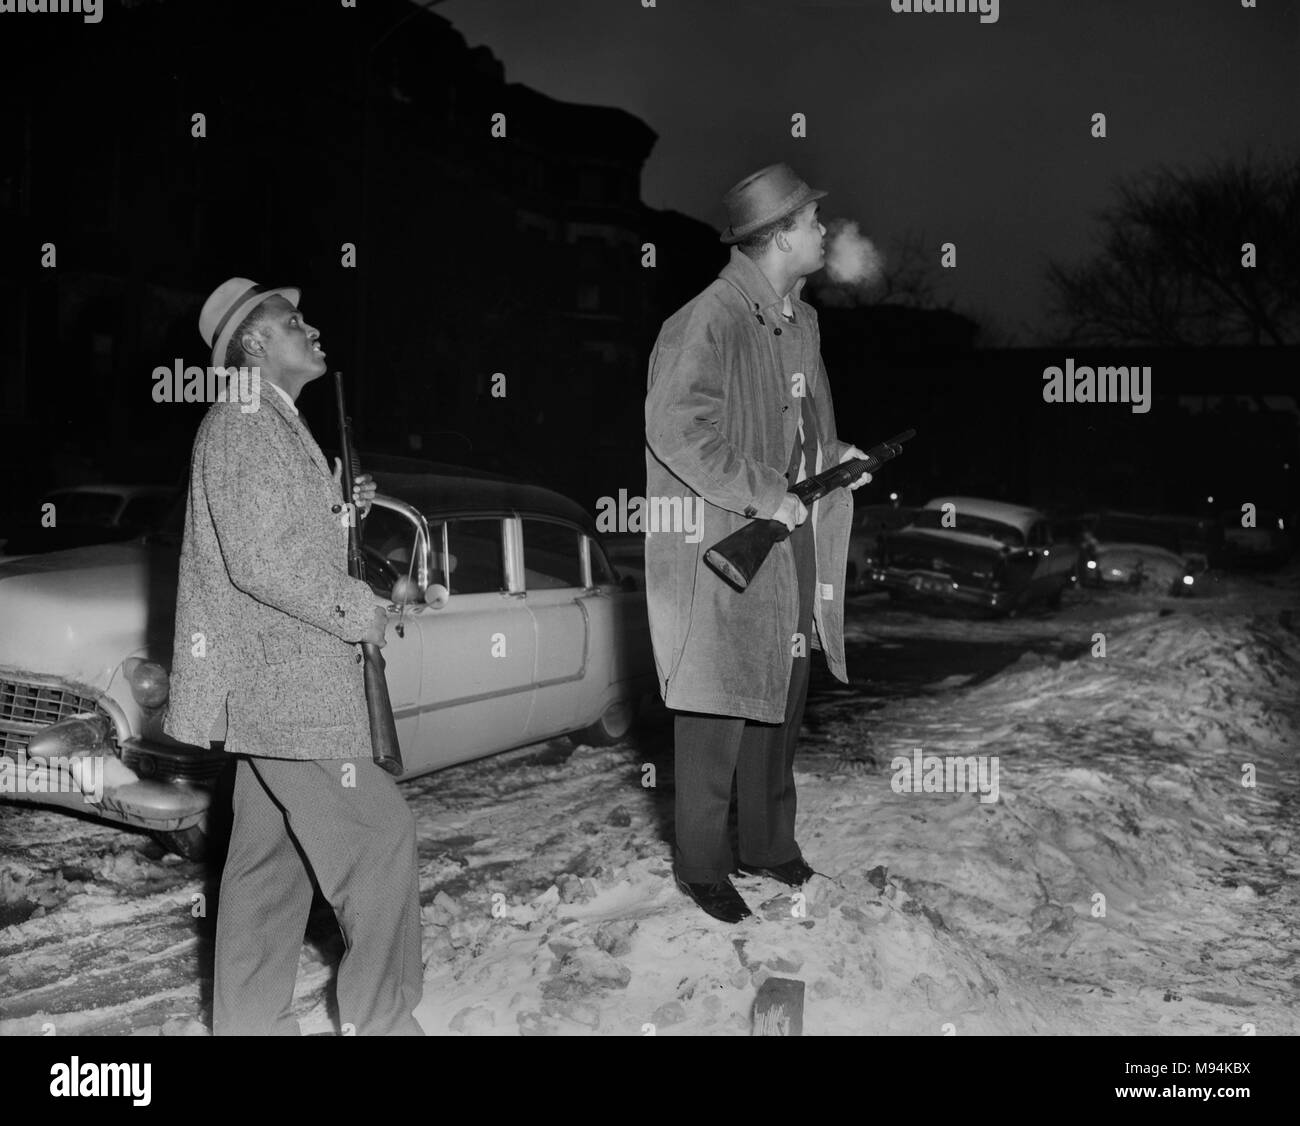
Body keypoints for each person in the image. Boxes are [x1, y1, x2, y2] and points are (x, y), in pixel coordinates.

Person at [165, 278, 424, 1033]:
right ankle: (384, 1023)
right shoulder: (245, 421)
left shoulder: (273, 421)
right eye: (293, 321)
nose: (311, 328)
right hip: (288, 688)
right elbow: (260, 559)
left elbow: (282, 537)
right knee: (381, 841)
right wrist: (361, 610)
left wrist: (341, 506)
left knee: (265, 875)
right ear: (253, 343)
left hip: (272, 686)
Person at [645, 164, 872, 923]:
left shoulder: (800, 320)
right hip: (728, 541)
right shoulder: (706, 319)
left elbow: (801, 429)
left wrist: (833, 461)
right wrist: (763, 488)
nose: (822, 233)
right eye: (811, 221)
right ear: (778, 236)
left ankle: (769, 845)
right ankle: (702, 865)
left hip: (791, 540)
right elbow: (678, 429)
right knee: (717, 707)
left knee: (782, 692)